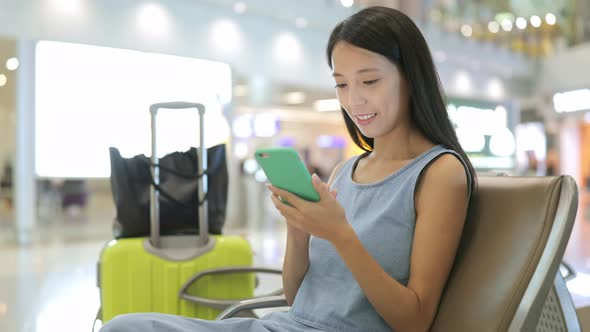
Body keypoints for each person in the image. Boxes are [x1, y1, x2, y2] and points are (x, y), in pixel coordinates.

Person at [100, 6, 476, 332]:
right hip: (284, 324)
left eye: (370, 81)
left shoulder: (440, 174)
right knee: (124, 326)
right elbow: (298, 299)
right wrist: (299, 234)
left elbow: (415, 321)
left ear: (410, 78)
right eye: (341, 84)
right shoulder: (345, 171)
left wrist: (341, 235)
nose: (354, 99)